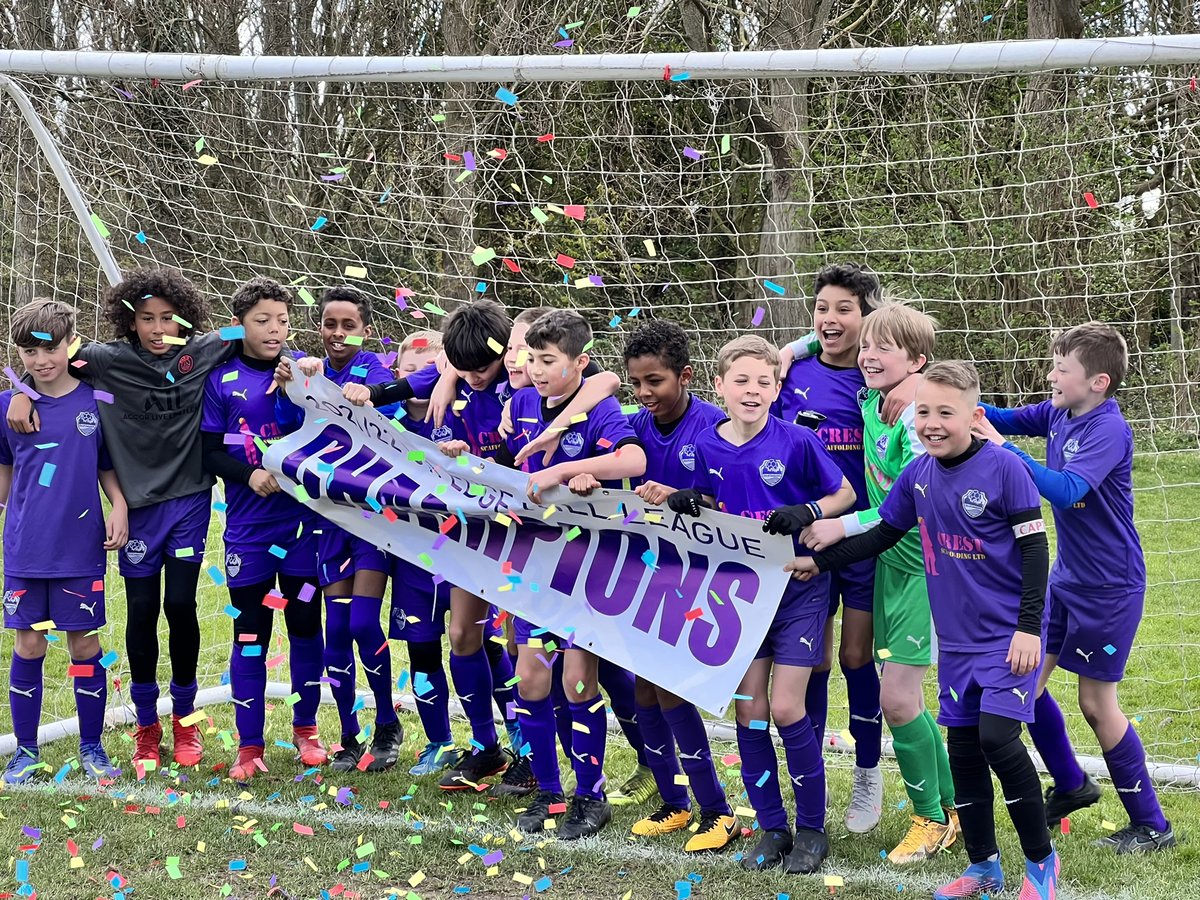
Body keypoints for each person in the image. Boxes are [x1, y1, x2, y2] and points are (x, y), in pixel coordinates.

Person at [791, 361, 1059, 900]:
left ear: (975, 416)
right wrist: (820, 564)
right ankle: (984, 868)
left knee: (997, 740)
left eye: (945, 413)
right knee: (962, 749)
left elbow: (1034, 548)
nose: (932, 423)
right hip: (957, 640)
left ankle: (1040, 865)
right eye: (923, 413)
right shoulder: (918, 477)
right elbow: (884, 533)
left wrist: (1029, 628)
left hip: (1009, 635)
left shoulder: (1005, 468)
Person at [6, 268, 237, 769]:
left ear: (187, 318)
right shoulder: (105, 361)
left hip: (190, 500)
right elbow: (47, 357)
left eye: (169, 319)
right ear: (128, 321)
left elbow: (254, 333)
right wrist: (22, 389)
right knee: (140, 613)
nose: (158, 328)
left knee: (181, 605)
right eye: (146, 319)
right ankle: (146, 728)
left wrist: (295, 359)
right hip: (135, 509)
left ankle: (186, 721)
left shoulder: (210, 348)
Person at [973, 322, 1174, 853]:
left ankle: (1152, 825)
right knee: (1025, 681)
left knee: (1095, 702)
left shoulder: (1108, 429)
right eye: (1053, 366)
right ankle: (1071, 784)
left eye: (1062, 369)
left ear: (1099, 382)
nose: (1052, 376)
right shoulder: (1060, 412)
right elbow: (1003, 417)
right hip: (1064, 579)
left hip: (1110, 587)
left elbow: (1065, 491)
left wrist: (1001, 449)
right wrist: (954, 400)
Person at [670, 335, 855, 875]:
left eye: (764, 381)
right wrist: (691, 501)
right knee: (750, 713)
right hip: (740, 595)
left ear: (778, 388)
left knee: (787, 707)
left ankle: (813, 830)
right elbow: (704, 498)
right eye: (742, 381)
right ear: (720, 386)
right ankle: (773, 826)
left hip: (797, 588)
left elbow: (843, 494)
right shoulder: (704, 445)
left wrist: (808, 509)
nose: (752, 390)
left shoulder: (796, 441)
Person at [802, 302, 958, 863]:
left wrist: (837, 527)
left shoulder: (921, 417)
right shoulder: (873, 397)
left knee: (896, 700)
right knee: (907, 697)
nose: (866, 355)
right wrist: (791, 349)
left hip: (925, 568)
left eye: (881, 348)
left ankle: (930, 818)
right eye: (865, 346)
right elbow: (816, 341)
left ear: (916, 360)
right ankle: (952, 808)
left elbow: (905, 510)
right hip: (891, 564)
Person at [501, 309, 648, 840]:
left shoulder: (601, 410)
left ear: (579, 363)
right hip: (531, 569)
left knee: (577, 679)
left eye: (548, 360)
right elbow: (504, 460)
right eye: (531, 359)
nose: (536, 370)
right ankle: (548, 792)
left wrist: (581, 471)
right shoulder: (518, 402)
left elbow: (633, 460)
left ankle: (592, 795)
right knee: (533, 679)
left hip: (587, 570)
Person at [773, 262, 885, 833]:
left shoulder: (878, 378)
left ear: (867, 317)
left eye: (845, 308)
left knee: (854, 657)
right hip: (803, 539)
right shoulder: (789, 372)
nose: (831, 319)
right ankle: (808, 771)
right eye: (822, 308)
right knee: (808, 659)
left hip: (862, 539)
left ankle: (869, 774)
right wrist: (791, 349)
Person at [200, 277, 326, 780]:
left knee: (303, 627)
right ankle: (249, 746)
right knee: (249, 633)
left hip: (303, 528)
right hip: (249, 532)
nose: (275, 329)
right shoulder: (220, 380)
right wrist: (249, 473)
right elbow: (209, 451)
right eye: (262, 320)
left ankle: (306, 730)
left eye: (282, 320)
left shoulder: (301, 371)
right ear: (241, 324)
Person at [620, 319, 739, 853]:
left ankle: (717, 810)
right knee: (645, 684)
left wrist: (681, 494)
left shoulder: (715, 426)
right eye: (636, 383)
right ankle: (673, 801)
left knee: (672, 685)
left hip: (701, 575)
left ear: (685, 376)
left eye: (656, 382)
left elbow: (732, 501)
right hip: (649, 570)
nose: (645, 393)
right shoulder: (634, 425)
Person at [275, 285, 403, 772]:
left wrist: (365, 398)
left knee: (363, 623)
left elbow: (387, 418)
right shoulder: (311, 367)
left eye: (348, 325)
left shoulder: (372, 370)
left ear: (365, 330)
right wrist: (293, 382)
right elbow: (291, 420)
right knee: (335, 632)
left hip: (369, 519)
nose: (338, 333)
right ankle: (350, 734)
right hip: (326, 520)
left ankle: (388, 724)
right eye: (330, 324)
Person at [0, 299, 129, 783]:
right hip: (25, 549)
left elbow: (106, 465)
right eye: (29, 352)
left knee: (83, 646)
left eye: (50, 348)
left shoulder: (96, 402)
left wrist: (117, 504)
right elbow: (5, 474)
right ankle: (26, 751)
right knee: (30, 644)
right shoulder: (8, 407)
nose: (41, 360)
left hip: (80, 548)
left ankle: (92, 746)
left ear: (69, 345)